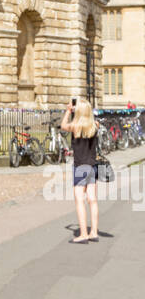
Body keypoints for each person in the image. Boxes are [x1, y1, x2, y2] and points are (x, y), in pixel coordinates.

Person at [61, 98, 99, 242]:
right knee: (92, 200)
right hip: (92, 165)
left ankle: (83, 234)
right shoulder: (95, 126)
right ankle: (94, 232)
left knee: (79, 199)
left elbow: (63, 125)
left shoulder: (75, 126)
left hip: (80, 167)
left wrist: (68, 110)